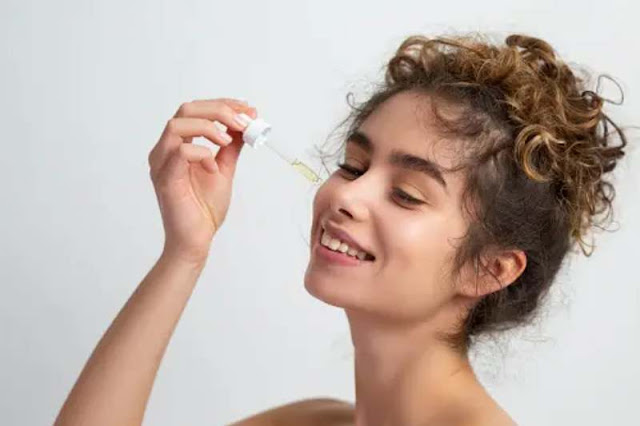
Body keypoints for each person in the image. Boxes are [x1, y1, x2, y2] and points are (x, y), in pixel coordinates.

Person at [54, 33, 628, 426]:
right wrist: (184, 253)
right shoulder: (307, 420)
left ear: (490, 268)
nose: (346, 195)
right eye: (352, 166)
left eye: (406, 194)